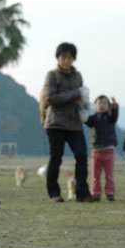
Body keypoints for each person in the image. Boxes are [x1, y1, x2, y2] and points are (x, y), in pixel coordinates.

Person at [42, 42, 95, 202]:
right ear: (58, 58)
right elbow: (50, 98)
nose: (66, 61)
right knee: (56, 158)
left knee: (81, 156)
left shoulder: (77, 76)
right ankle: (54, 194)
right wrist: (74, 94)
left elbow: (80, 97)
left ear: (73, 59)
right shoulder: (52, 75)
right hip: (56, 123)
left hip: (75, 123)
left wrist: (84, 102)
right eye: (63, 57)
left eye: (69, 58)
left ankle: (82, 193)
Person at [84, 96, 119, 201]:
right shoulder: (93, 118)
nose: (102, 105)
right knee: (95, 174)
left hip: (109, 150)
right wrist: (85, 106)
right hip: (96, 150)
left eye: (104, 103)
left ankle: (110, 193)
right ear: (94, 106)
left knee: (109, 174)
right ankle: (95, 193)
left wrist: (115, 107)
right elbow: (85, 119)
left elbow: (115, 116)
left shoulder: (110, 118)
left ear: (108, 106)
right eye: (99, 103)